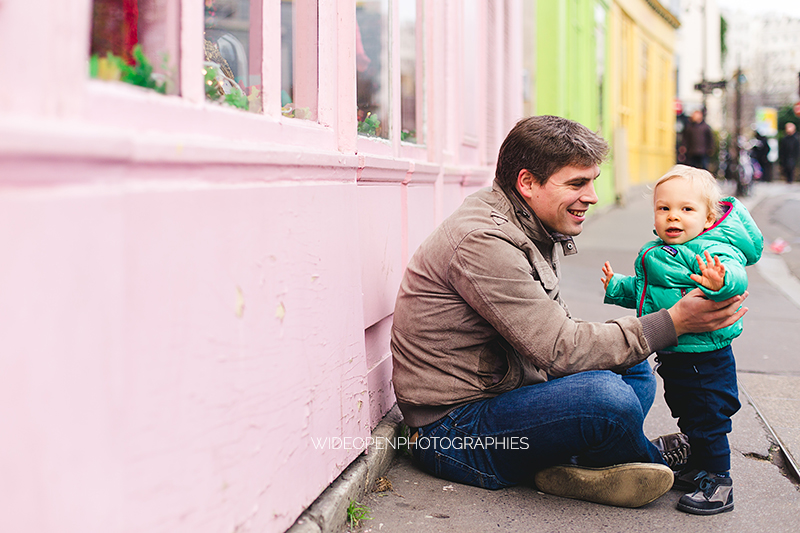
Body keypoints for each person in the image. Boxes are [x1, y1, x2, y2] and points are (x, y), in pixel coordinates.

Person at [390, 116, 749, 510]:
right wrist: (675, 322)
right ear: (527, 183)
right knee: (606, 398)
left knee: (632, 367)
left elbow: (558, 338)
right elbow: (559, 349)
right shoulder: (483, 241)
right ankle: (656, 460)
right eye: (577, 183)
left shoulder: (528, 221)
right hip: (455, 433)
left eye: (592, 181)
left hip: (507, 394)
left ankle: (580, 465)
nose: (593, 196)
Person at [601, 165, 763, 515]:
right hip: (675, 355)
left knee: (708, 419)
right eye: (664, 208)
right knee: (689, 416)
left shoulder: (711, 249)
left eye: (686, 209)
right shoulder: (659, 251)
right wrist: (617, 286)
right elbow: (648, 292)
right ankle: (699, 468)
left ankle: (720, 481)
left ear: (707, 218)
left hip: (706, 357)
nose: (674, 216)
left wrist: (719, 281)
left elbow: (734, 274)